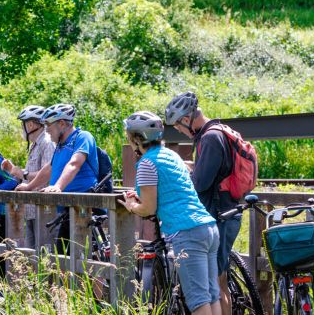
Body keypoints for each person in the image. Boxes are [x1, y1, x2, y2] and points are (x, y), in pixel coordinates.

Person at [118, 111, 221, 315]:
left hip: (187, 232)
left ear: (136, 138)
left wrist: (131, 205)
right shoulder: (171, 155)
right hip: (208, 228)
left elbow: (149, 209)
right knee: (212, 295)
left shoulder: (147, 163)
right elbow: (169, 190)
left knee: (199, 300)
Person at [164, 91, 240, 315]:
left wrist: (182, 176)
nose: (179, 131)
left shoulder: (209, 138)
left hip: (220, 214)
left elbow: (200, 183)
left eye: (178, 126)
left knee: (217, 284)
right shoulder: (214, 134)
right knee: (218, 281)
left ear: (186, 119)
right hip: (225, 211)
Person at [14, 103, 99, 252]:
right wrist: (29, 186)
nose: (46, 129)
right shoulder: (60, 145)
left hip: (84, 209)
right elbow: (48, 169)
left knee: (85, 258)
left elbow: (74, 163)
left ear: (61, 124)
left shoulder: (82, 137)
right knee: (61, 257)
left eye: (48, 125)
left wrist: (57, 186)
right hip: (65, 209)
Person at [1, 105, 55, 248]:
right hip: (31, 209)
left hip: (44, 210)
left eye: (22, 124)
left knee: (45, 257)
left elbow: (47, 174)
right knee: (32, 257)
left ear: (30, 124)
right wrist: (13, 170)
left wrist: (22, 173)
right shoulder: (34, 145)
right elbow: (33, 174)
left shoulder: (47, 142)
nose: (22, 128)